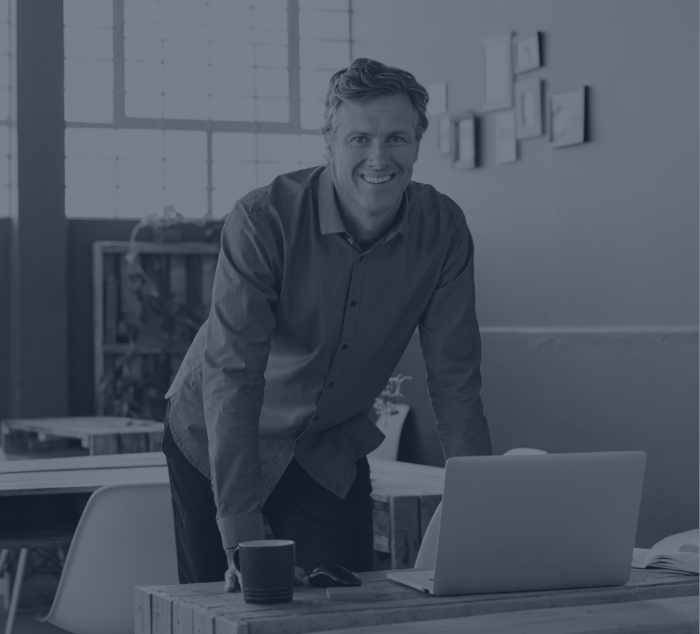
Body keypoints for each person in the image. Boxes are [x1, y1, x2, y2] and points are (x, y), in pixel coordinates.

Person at [162, 57, 492, 591]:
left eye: (397, 139)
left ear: (417, 143)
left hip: (325, 448)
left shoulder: (444, 230)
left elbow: (455, 378)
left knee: (346, 612)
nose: (379, 157)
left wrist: (485, 507)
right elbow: (234, 375)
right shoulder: (263, 220)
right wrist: (242, 532)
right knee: (221, 610)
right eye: (359, 138)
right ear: (330, 142)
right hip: (215, 438)